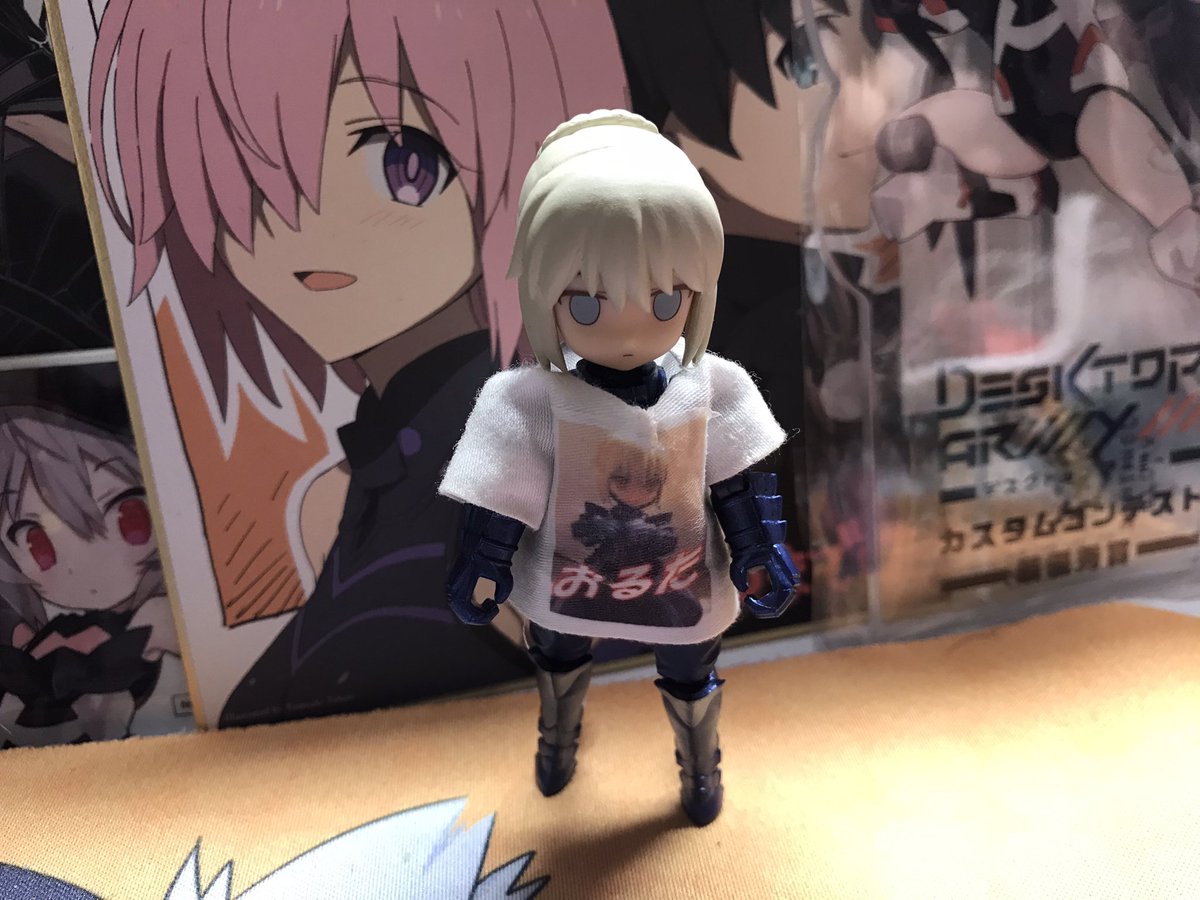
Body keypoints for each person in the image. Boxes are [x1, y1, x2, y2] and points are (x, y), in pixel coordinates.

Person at [88, 0, 629, 725]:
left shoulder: (526, 450)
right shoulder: (380, 467)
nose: (306, 223)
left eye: (401, 162)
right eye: (253, 176)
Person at [439, 110, 802, 826]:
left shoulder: (712, 389)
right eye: (586, 302)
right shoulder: (532, 402)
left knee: (692, 673)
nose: (631, 329)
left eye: (665, 300)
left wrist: (761, 547)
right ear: (546, 295)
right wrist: (482, 560)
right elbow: (502, 501)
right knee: (557, 660)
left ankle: (701, 765)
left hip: (680, 579)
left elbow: (739, 485)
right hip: (569, 580)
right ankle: (557, 740)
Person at [0, 407, 176, 747]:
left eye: (127, 515)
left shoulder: (160, 620)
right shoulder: (29, 632)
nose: (82, 562)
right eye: (35, 540)